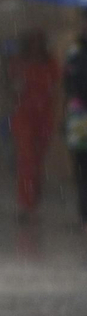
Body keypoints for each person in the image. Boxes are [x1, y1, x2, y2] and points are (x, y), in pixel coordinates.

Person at [8, 29, 60, 223]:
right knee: (26, 160)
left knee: (36, 162)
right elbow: (14, 86)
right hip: (25, 118)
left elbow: (54, 84)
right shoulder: (20, 62)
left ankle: (32, 199)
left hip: (43, 118)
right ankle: (25, 202)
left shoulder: (50, 62)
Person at [63, 19, 87, 231]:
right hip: (79, 119)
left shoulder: (75, 55)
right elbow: (68, 85)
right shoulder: (75, 54)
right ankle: (84, 215)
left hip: (78, 116)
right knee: (81, 168)